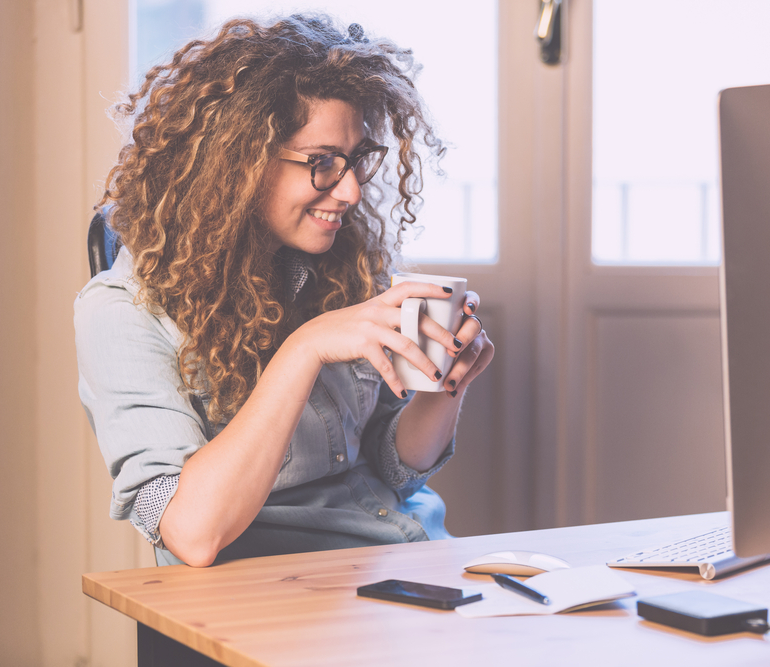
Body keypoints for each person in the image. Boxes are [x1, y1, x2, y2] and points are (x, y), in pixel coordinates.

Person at [74, 14, 494, 567]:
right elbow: (188, 532)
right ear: (236, 165)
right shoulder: (123, 312)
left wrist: (445, 387)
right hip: (286, 589)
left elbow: (391, 469)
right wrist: (306, 348)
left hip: (411, 554)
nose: (348, 191)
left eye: (355, 160)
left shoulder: (341, 268)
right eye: (321, 163)